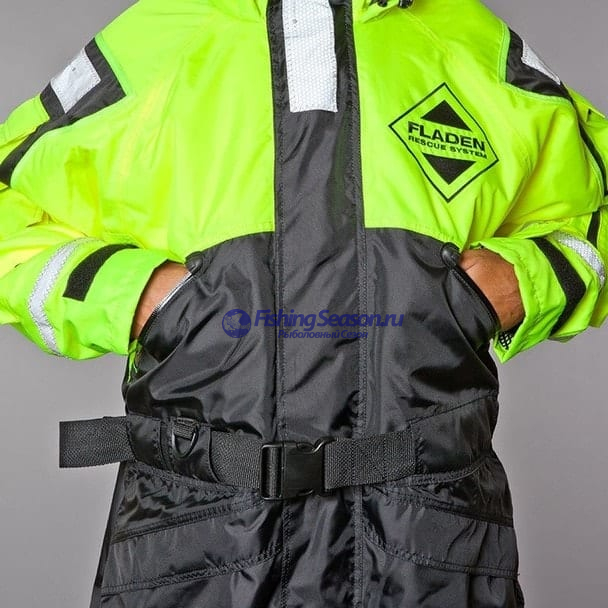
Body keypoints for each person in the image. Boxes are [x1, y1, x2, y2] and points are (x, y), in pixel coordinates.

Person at [1, 0, 607, 606]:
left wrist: (521, 280)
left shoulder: (470, 43)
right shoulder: (156, 38)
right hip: (200, 543)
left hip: (424, 544)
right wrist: (136, 294)